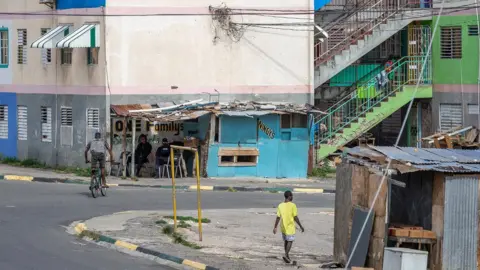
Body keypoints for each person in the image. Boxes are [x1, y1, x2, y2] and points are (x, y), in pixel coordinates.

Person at [273, 190, 305, 264]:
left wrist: (275, 227)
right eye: (292, 196)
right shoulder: (293, 205)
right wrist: (300, 226)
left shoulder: (280, 205)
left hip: (283, 227)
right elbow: (295, 217)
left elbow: (278, 217)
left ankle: (286, 255)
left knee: (286, 241)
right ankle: (286, 254)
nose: (292, 197)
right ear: (289, 196)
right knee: (290, 241)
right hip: (290, 227)